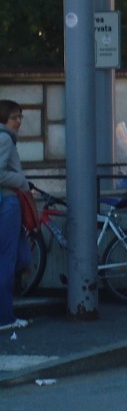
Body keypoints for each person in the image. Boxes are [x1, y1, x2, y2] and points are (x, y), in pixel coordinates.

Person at [0, 98, 32, 330]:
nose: (18, 121)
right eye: (14, 117)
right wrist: (21, 180)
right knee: (8, 260)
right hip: (8, 202)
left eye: (20, 116)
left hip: (7, 201)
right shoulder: (5, 139)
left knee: (17, 257)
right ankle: (5, 317)